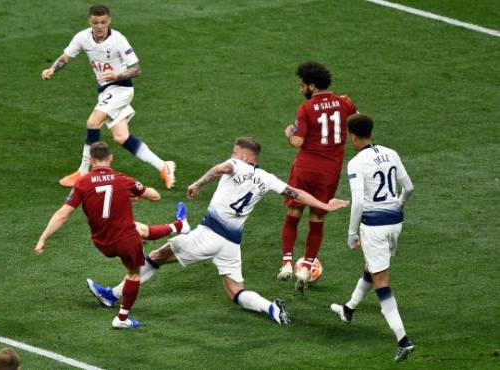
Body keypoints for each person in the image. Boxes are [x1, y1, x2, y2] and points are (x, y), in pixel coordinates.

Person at [88, 137, 349, 324]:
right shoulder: (267, 178)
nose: (232, 155)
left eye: (235, 152)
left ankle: (112, 295)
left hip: (208, 234)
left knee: (157, 255)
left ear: (246, 156)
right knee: (235, 290)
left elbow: (220, 168)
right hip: (231, 243)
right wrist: (324, 204)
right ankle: (271, 308)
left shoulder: (236, 164)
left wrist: (198, 183)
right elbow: (297, 193)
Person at [34, 141, 189, 329]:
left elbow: (63, 214)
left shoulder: (82, 183)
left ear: (91, 160)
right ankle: (122, 319)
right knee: (133, 275)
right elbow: (155, 195)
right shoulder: (122, 179)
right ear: (111, 158)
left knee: (138, 228)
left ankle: (179, 225)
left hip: (103, 242)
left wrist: (43, 239)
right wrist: (133, 194)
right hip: (125, 242)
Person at [41, 5, 175, 189]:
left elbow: (137, 69)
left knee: (92, 122)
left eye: (103, 22)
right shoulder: (82, 37)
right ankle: (163, 166)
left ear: (109, 21)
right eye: (95, 22)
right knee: (121, 137)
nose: (99, 26)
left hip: (121, 88)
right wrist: (52, 69)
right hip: (106, 91)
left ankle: (82, 173)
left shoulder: (118, 40)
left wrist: (117, 76)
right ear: (90, 21)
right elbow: (65, 58)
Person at [329, 113, 415, 362]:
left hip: (373, 227)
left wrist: (351, 233)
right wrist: (398, 205)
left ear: (353, 137)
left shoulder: (356, 163)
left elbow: (357, 202)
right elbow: (408, 188)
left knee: (382, 281)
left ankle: (403, 340)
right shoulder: (391, 153)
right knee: (373, 267)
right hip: (395, 223)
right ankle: (348, 309)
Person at [278, 61, 358, 291]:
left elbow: (297, 142)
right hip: (329, 172)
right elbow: (358, 119)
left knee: (294, 213)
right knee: (317, 220)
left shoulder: (305, 109)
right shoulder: (345, 103)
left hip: (304, 169)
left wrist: (288, 133)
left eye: (302, 85)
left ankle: (286, 263)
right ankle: (306, 267)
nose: (300, 89)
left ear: (312, 86)